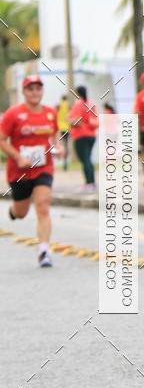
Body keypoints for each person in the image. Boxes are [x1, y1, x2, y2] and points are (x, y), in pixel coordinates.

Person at [0, 75, 59, 267]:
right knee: (22, 212)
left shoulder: (50, 112)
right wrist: (18, 157)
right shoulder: (13, 114)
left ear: (42, 91)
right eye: (30, 89)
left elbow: (56, 132)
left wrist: (58, 147)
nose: (35, 92)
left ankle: (44, 251)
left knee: (43, 205)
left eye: (38, 88)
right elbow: (1, 139)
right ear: (24, 92)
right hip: (20, 171)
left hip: (44, 167)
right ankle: (13, 210)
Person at [69, 85, 99, 192]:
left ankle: (89, 183)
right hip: (91, 135)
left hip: (81, 135)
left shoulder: (78, 104)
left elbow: (76, 120)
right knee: (88, 159)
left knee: (85, 160)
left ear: (77, 93)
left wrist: (69, 120)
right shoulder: (91, 103)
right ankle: (92, 182)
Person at [56, 94, 70, 170]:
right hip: (67, 128)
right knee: (66, 145)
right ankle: (65, 163)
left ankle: (61, 161)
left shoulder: (58, 106)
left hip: (60, 128)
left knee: (60, 145)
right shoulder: (69, 106)